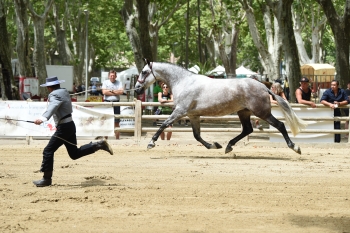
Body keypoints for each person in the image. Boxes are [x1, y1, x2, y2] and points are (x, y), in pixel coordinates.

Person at [33, 76, 113, 187]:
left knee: (48, 151)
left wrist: (42, 119)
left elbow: (53, 106)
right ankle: (99, 144)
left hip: (64, 128)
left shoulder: (54, 95)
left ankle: (46, 179)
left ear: (50, 87)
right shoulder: (64, 92)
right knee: (74, 154)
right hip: (69, 125)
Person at [102, 70, 124, 140]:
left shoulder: (119, 83)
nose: (112, 77)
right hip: (107, 103)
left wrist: (110, 91)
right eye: (111, 76)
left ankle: (117, 138)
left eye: (113, 76)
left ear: (116, 76)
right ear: (109, 76)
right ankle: (105, 138)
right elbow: (104, 92)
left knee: (116, 121)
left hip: (116, 103)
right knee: (106, 120)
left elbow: (121, 92)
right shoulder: (105, 82)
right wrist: (115, 92)